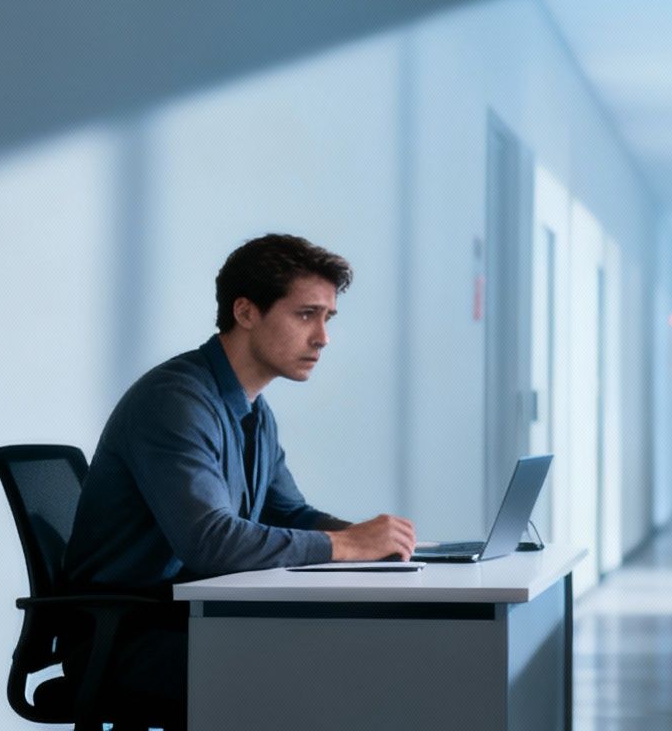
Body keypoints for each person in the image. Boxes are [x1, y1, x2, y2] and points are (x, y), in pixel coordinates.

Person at [63, 233, 416, 727]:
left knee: (359, 653)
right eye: (305, 314)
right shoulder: (176, 402)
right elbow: (209, 542)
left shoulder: (254, 410)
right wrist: (348, 546)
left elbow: (290, 512)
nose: (322, 337)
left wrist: (373, 540)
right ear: (246, 312)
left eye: (327, 318)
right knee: (335, 671)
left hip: (192, 623)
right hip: (130, 640)